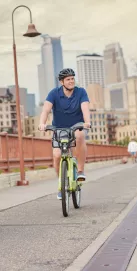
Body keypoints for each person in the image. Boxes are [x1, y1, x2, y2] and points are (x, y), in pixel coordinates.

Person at [38, 68, 91, 200]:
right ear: (62, 82)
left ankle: (80, 171)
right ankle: (62, 183)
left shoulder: (81, 92)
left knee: (80, 136)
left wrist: (87, 122)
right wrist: (42, 123)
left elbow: (85, 108)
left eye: (72, 78)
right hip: (59, 129)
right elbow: (45, 110)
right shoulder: (54, 93)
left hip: (76, 127)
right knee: (56, 155)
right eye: (68, 79)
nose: (71, 81)